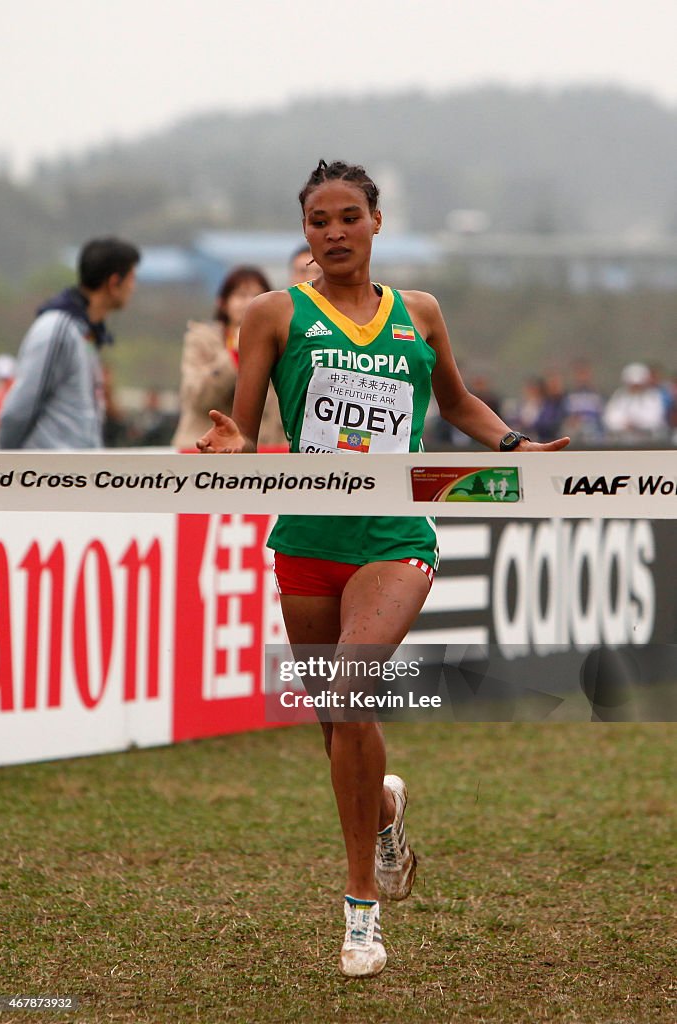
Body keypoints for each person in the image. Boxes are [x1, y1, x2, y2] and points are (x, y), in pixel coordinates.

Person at [196, 159, 569, 978]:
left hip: (392, 537)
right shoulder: (272, 313)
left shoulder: (418, 313)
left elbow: (458, 402)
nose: (332, 231)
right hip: (304, 541)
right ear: (305, 233)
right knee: (337, 728)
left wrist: (514, 446)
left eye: (347, 217)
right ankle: (387, 806)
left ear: (374, 223)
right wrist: (229, 443)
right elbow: (245, 421)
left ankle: (359, 913)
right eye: (317, 220)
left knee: (348, 691)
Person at [0, 237, 140, 449]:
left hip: (74, 474)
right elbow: (20, 409)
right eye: (131, 278)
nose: (133, 287)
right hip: (48, 474)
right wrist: (5, 469)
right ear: (113, 283)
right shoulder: (58, 329)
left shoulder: (84, 331)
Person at [171, 265, 285, 449]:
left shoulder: (281, 340)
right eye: (241, 295)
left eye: (257, 295)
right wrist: (235, 352)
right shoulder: (201, 339)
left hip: (268, 451)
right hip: (207, 450)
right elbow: (196, 397)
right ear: (223, 302)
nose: (249, 301)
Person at [603, 362, 667, 441]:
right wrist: (624, 424)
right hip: (621, 441)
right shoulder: (619, 396)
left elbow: (655, 419)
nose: (635, 388)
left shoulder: (653, 396)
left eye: (638, 385)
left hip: (647, 441)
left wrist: (637, 423)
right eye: (632, 385)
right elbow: (610, 419)